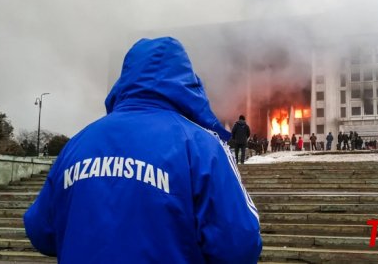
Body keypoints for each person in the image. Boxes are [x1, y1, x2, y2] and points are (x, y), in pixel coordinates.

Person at [23, 37, 262, 264]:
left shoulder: (77, 144)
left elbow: (40, 231)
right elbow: (240, 244)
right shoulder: (203, 147)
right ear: (188, 83)